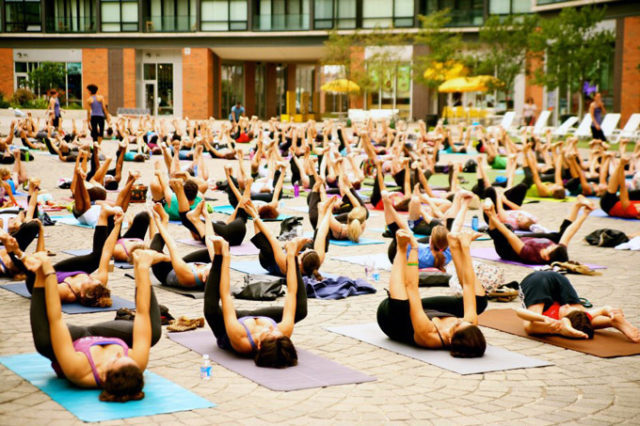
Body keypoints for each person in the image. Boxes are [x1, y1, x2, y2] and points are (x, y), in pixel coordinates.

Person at [27, 248, 165, 401]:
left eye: (116, 359)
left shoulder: (78, 370)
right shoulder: (137, 363)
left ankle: (37, 277)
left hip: (74, 340)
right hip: (106, 334)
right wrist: (143, 269)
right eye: (127, 359)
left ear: (104, 376)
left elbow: (56, 319)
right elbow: (142, 314)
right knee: (152, 333)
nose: (120, 354)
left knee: (44, 343)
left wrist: (48, 274)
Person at [377, 229, 487, 357]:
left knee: (401, 304)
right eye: (463, 321)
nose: (458, 320)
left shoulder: (428, 334)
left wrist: (412, 248)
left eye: (457, 324)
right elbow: (468, 285)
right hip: (426, 311)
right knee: (479, 301)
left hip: (392, 317)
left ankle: (400, 249)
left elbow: (411, 286)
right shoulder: (469, 324)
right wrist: (465, 248)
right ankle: (454, 246)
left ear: (450, 340)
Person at [203, 235, 307, 367]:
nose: (270, 327)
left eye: (268, 332)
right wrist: (292, 255)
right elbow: (292, 293)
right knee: (299, 310)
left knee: (211, 310)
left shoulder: (240, 338)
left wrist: (224, 257)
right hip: (254, 318)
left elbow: (225, 295)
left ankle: (217, 252)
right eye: (275, 330)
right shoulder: (283, 331)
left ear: (258, 345)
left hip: (229, 327)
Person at [12, 206, 124, 307]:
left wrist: (19, 253)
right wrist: (118, 225)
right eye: (92, 279)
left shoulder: (66, 293)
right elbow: (106, 252)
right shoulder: (99, 282)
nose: (90, 277)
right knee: (97, 258)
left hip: (38, 281)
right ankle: (103, 215)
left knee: (33, 263)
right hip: (59, 273)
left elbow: (41, 278)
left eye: (89, 281)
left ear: (82, 293)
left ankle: (12, 251)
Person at [516, 270, 640, 342]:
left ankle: (612, 323)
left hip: (537, 281)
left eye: (569, 310)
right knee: (583, 318)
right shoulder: (573, 314)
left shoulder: (553, 318)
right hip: (557, 278)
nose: (567, 306)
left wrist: (547, 322)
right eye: (570, 308)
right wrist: (610, 312)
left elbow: (524, 318)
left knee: (530, 326)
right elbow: (601, 309)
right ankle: (612, 322)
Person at [483, 196, 593, 264]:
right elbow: (570, 231)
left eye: (549, 248)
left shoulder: (530, 254)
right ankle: (577, 205)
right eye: (553, 246)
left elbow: (509, 236)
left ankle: (490, 208)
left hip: (507, 248)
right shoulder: (558, 251)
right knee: (560, 236)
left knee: (504, 230)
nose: (550, 245)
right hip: (525, 240)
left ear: (545, 257)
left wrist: (492, 216)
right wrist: (585, 214)